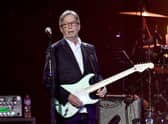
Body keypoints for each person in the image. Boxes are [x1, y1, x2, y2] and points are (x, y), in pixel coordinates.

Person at [43, 10, 107, 124]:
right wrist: (67, 96)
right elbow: (47, 81)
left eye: (72, 23)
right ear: (61, 29)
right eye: (65, 25)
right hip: (67, 112)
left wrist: (102, 86)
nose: (69, 27)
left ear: (78, 26)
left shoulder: (90, 49)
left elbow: (97, 75)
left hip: (90, 111)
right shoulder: (54, 49)